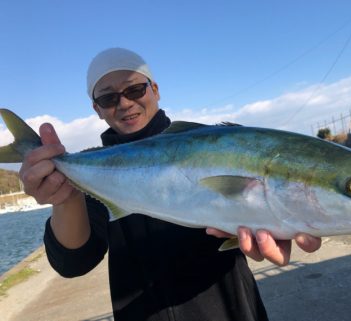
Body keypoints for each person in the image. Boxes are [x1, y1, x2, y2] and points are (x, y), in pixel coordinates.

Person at [19, 48, 322, 321]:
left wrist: (281, 214)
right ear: (97, 109)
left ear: (155, 90)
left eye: (135, 89)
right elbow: (74, 262)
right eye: (109, 98)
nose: (125, 103)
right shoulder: (97, 174)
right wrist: (65, 195)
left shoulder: (219, 145)